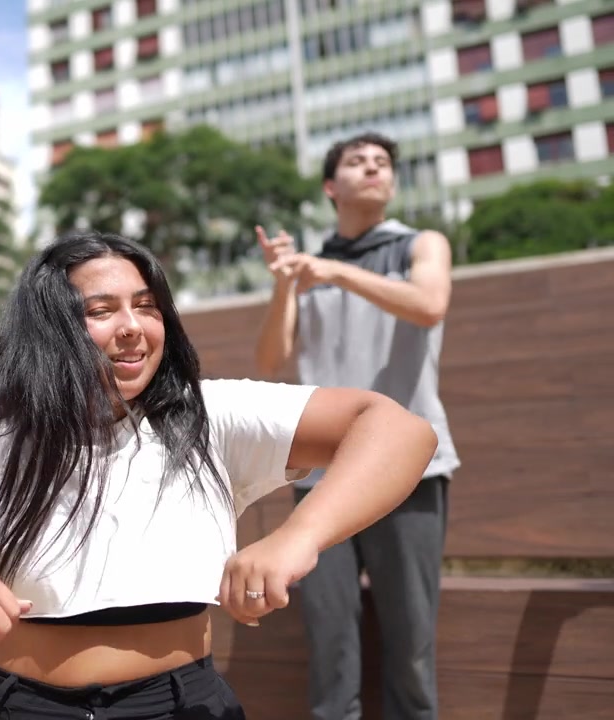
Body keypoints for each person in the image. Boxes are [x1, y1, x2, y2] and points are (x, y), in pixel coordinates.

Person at [0, 229, 438, 720]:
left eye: (147, 306)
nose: (132, 328)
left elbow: (397, 429)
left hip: (186, 704)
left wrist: (299, 537)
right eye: (101, 311)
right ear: (51, 326)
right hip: (23, 706)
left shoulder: (208, 412)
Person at [254, 132, 460, 720]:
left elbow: (430, 305)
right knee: (330, 647)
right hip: (322, 477)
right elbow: (270, 363)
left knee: (412, 648)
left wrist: (337, 273)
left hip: (411, 471)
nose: (373, 168)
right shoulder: (309, 269)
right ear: (330, 186)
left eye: (382, 162)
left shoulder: (422, 244)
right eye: (356, 161)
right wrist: (285, 284)